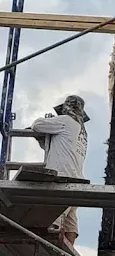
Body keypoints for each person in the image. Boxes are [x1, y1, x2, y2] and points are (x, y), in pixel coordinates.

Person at [30, 95, 88, 245]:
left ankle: (51, 250)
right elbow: (57, 148)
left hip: (62, 176)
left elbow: (37, 125)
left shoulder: (66, 121)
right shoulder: (82, 131)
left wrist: (48, 121)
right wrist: (44, 140)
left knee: (54, 218)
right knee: (70, 219)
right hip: (77, 178)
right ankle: (67, 252)